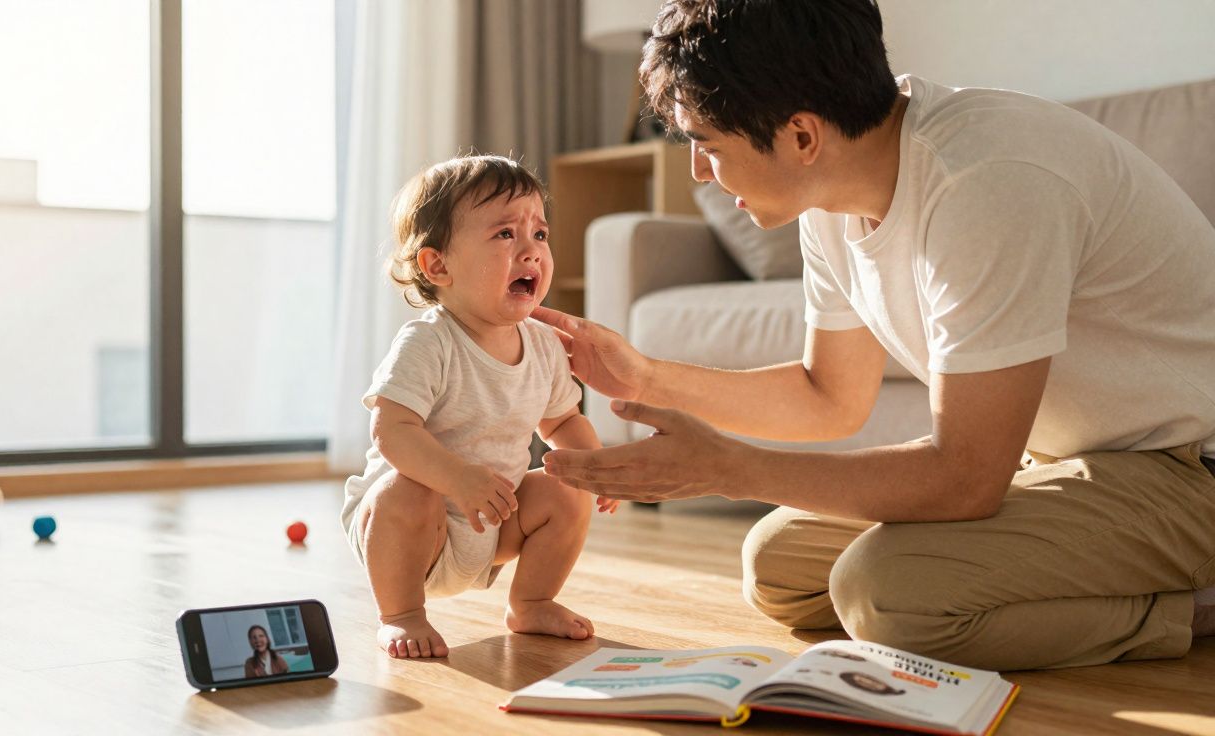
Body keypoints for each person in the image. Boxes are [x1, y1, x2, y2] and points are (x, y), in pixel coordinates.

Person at [535, 0, 1215, 671]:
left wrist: (727, 467)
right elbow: (829, 396)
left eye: (707, 145)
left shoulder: (985, 183)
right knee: (780, 567)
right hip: (1070, 461)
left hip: (1186, 465)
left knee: (885, 595)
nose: (697, 172)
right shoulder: (828, 198)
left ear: (802, 137)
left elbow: (966, 477)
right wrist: (646, 377)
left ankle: (1192, 604)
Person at [342, 155, 618, 659]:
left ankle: (532, 601)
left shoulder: (544, 345)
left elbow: (563, 421)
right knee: (407, 490)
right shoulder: (429, 342)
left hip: (491, 522)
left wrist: (595, 468)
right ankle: (400, 614)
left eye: (540, 233)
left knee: (566, 487)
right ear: (438, 265)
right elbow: (392, 430)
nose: (531, 251)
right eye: (505, 235)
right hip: (409, 533)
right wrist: (456, 478)